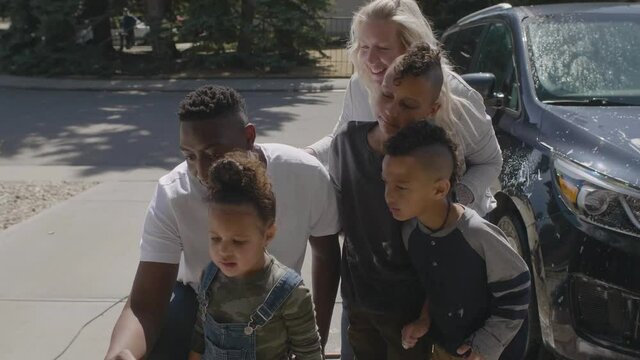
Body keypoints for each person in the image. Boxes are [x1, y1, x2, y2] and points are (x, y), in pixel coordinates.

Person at [105, 85, 340, 360]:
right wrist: (121, 353)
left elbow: (327, 254)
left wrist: (316, 344)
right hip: (201, 300)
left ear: (248, 136)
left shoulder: (305, 175)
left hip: (277, 303)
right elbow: (145, 303)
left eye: (214, 153)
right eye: (190, 156)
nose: (202, 171)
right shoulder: (172, 193)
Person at [307, 0, 502, 218]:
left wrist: (452, 201)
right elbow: (339, 138)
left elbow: (490, 161)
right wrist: (306, 155)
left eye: (382, 48)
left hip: (449, 234)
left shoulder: (457, 96)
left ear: (411, 46)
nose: (370, 59)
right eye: (364, 47)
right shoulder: (359, 85)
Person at [329, 43, 447, 360]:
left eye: (409, 104)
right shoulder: (345, 145)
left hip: (410, 314)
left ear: (432, 110)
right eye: (386, 95)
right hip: (359, 303)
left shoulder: (436, 162)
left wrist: (426, 315)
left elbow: (445, 249)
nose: (392, 111)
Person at [383, 120, 530, 360]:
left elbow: (518, 291)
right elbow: (437, 285)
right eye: (385, 182)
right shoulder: (411, 232)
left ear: (440, 189)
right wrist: (424, 319)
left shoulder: (477, 233)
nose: (388, 195)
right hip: (447, 349)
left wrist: (486, 344)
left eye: (401, 187)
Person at [188, 152, 322, 360]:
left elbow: (309, 354)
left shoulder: (289, 292)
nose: (224, 250)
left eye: (238, 241)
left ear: (268, 234)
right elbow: (199, 336)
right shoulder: (210, 276)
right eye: (215, 238)